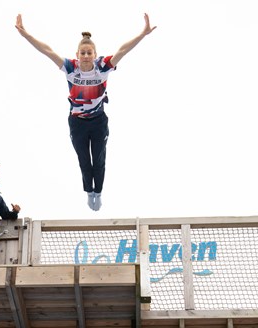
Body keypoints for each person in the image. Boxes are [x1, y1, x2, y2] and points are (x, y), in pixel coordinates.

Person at [15, 13, 156, 211]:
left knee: (98, 158)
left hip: (98, 121)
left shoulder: (103, 67)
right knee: (84, 160)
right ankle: (88, 191)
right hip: (77, 122)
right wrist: (26, 35)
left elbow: (123, 50)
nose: (86, 57)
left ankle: (98, 192)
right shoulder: (71, 68)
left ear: (95, 54)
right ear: (77, 54)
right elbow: (47, 50)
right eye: (83, 53)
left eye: (90, 53)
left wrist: (142, 34)